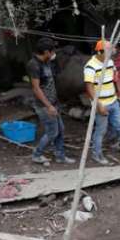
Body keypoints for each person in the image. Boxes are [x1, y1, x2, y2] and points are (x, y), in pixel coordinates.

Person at [84, 40, 120, 165]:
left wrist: (119, 93)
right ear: (100, 52)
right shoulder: (90, 66)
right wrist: (98, 105)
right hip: (101, 104)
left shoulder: (109, 62)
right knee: (101, 130)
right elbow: (89, 89)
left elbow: (115, 79)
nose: (112, 53)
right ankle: (97, 155)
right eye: (109, 51)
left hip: (113, 101)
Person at [26, 37, 75, 165]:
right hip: (44, 105)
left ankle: (60, 156)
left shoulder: (46, 62)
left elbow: (53, 78)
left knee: (60, 129)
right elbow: (36, 88)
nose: (54, 54)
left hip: (53, 102)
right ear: (47, 52)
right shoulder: (34, 65)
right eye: (53, 51)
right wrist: (48, 106)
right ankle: (37, 154)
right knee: (52, 132)